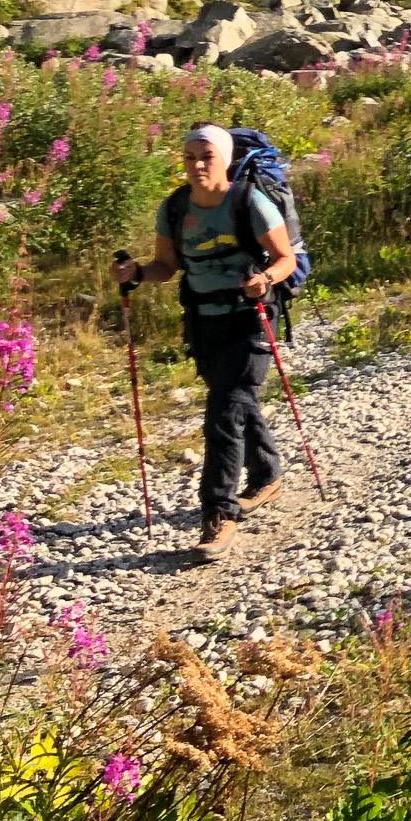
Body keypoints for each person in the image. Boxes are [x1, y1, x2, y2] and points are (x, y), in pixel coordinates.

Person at [111, 124, 297, 563]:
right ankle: (268, 474)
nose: (195, 164)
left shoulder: (250, 201)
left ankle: (218, 512)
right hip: (203, 322)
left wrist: (265, 279)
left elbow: (285, 258)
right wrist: (136, 273)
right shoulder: (175, 208)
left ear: (225, 160)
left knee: (223, 411)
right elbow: (166, 266)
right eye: (189, 156)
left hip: (251, 319)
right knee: (233, 402)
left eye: (206, 156)